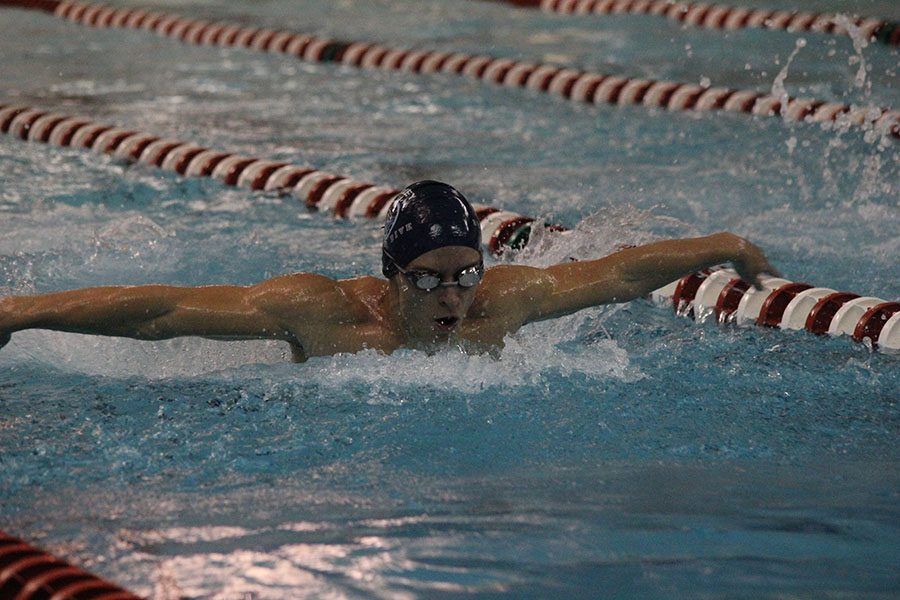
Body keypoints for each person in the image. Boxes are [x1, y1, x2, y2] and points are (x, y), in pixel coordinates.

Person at [0, 180, 778, 362]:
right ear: (393, 277)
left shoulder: (503, 303)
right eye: (430, 279)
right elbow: (159, 314)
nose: (452, 297)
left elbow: (617, 274)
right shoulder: (323, 313)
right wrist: (22, 312)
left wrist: (727, 244)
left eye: (465, 274)